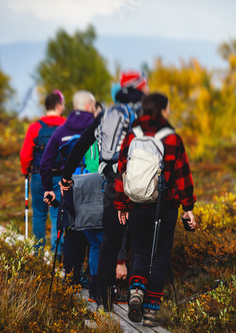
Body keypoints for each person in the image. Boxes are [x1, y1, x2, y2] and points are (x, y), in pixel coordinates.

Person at [60, 70, 150, 310]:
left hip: (110, 183)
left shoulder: (106, 115)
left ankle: (102, 294)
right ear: (140, 88)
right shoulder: (140, 114)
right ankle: (141, 295)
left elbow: (81, 145)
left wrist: (66, 176)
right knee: (140, 243)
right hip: (137, 184)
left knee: (110, 240)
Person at [114, 93, 197, 327]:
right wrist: (188, 207)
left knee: (140, 252)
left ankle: (136, 291)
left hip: (138, 205)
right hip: (166, 206)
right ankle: (150, 312)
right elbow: (182, 176)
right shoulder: (172, 138)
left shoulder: (132, 135)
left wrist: (122, 204)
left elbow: (122, 170)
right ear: (162, 109)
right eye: (168, 107)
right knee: (159, 257)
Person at [40, 90, 101, 293]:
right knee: (94, 233)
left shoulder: (61, 130)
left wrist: (49, 188)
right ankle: (92, 278)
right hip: (96, 187)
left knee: (72, 230)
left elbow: (45, 162)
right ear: (89, 106)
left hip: (71, 186)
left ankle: (71, 275)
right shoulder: (99, 128)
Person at [20, 90, 66, 254]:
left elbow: (25, 155)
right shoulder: (66, 126)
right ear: (59, 106)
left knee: (39, 214)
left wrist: (26, 171)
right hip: (61, 177)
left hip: (39, 176)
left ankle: (37, 253)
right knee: (56, 215)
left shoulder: (35, 128)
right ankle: (57, 254)